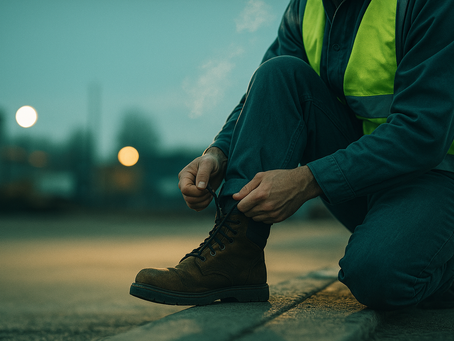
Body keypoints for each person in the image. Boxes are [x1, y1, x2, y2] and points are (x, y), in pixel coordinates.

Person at [130, 0, 454, 310]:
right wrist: (219, 152)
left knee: (378, 276)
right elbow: (265, 95)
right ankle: (236, 256)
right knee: (278, 72)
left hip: (438, 176)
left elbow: (421, 131)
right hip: (368, 175)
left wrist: (308, 180)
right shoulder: (305, 7)